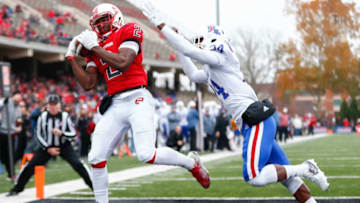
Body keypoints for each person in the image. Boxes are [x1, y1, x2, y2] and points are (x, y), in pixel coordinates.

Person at [142, 2, 329, 202]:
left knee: (253, 176)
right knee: (290, 181)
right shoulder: (212, 69)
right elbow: (193, 73)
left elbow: (193, 52)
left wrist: (164, 28)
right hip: (254, 123)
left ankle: (306, 167)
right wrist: (177, 46)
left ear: (213, 39)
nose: (199, 44)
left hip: (255, 121)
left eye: (202, 41)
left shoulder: (222, 55)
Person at [65, 3, 210, 202]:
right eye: (97, 23)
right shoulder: (94, 48)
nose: (101, 26)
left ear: (115, 18)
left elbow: (123, 63)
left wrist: (95, 48)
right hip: (115, 104)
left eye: (104, 20)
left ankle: (191, 163)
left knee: (146, 154)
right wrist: (72, 58)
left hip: (137, 98)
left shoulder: (129, 30)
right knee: (95, 156)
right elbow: (89, 83)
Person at [7, 94, 93, 196]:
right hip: (47, 147)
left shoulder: (65, 116)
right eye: (50, 104)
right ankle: (17, 188)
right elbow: (38, 134)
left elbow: (73, 134)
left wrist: (62, 133)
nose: (52, 107)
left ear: (59, 105)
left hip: (64, 146)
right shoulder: (42, 117)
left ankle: (94, 187)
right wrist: (47, 148)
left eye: (55, 104)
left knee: (78, 164)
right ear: (47, 105)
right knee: (30, 166)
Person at [0, 91, 22, 180]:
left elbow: (18, 121)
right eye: (17, 95)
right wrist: (5, 100)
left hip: (11, 133)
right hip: (2, 131)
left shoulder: (18, 108)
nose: (19, 97)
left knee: (10, 155)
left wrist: (19, 126)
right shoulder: (7, 102)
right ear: (13, 96)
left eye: (20, 96)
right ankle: (10, 173)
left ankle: (11, 175)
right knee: (2, 155)